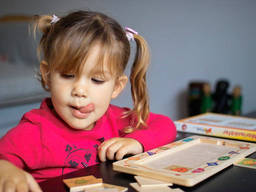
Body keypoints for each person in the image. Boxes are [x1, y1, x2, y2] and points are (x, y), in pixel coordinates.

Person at [0, 10, 176, 192]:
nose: (80, 91)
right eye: (68, 75)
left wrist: (137, 142)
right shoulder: (34, 131)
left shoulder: (117, 119)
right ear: (47, 75)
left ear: (116, 86)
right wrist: (5, 170)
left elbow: (165, 124)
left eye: (97, 80)